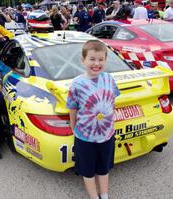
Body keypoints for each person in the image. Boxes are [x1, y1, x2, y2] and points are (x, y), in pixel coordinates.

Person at [66, 40, 120, 199]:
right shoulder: (77, 83)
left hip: (107, 135)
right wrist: (73, 127)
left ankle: (104, 195)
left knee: (104, 169)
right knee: (88, 171)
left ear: (106, 60)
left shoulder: (109, 79)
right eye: (92, 59)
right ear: (83, 60)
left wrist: (112, 120)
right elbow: (72, 108)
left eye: (101, 59)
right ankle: (94, 197)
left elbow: (112, 100)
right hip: (85, 137)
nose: (97, 63)